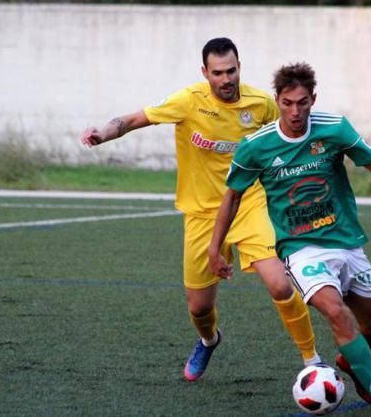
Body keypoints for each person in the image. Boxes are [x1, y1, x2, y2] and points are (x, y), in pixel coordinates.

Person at [81, 39, 320, 382]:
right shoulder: (188, 101)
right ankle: (209, 339)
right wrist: (101, 134)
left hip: (249, 204)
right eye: (218, 73)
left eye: (232, 71)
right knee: (199, 307)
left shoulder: (262, 105)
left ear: (240, 66)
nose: (226, 79)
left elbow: (285, 138)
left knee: (280, 285)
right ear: (205, 72)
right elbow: (134, 119)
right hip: (201, 214)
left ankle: (312, 360)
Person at [209, 62, 371, 417]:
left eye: (303, 102)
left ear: (313, 99)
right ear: (277, 100)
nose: (295, 111)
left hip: (345, 241)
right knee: (337, 314)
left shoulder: (334, 128)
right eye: (288, 103)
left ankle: (350, 362)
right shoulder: (255, 147)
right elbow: (231, 197)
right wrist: (216, 249)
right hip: (300, 249)